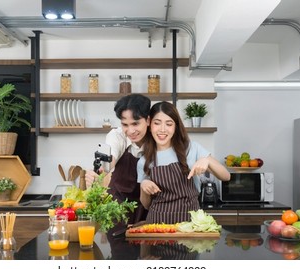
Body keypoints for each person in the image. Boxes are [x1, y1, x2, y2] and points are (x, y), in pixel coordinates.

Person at [137, 101, 230, 224]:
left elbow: (226, 176)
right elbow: (146, 204)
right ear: (149, 124)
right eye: (157, 123)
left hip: (190, 225)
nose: (162, 129)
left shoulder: (192, 148)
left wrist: (206, 160)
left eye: (169, 124)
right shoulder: (144, 160)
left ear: (175, 126)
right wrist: (144, 186)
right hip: (158, 226)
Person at [85, 94, 151, 225]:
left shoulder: (157, 138)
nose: (130, 130)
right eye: (125, 124)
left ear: (148, 120)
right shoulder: (116, 136)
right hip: (118, 209)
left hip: (149, 209)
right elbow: (109, 158)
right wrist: (98, 173)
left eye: (135, 123)